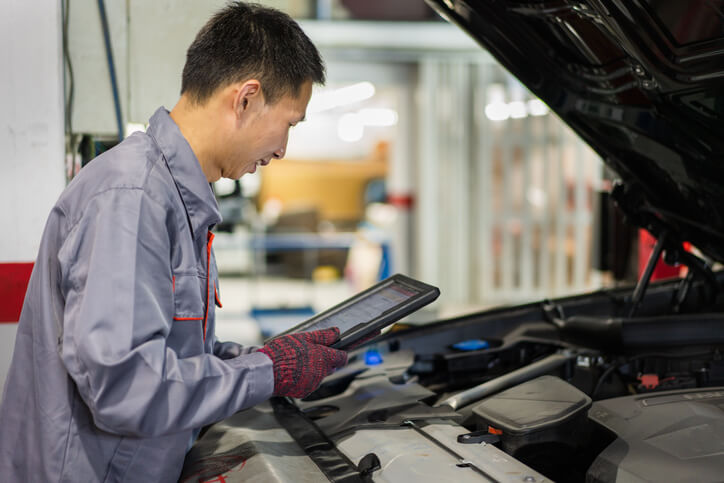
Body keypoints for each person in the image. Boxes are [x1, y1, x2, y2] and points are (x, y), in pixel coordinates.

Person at [0, 3, 349, 482]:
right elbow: (126, 388)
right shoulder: (133, 197)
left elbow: (174, 357)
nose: (283, 150)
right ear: (245, 99)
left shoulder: (176, 198)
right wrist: (266, 373)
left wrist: (260, 357)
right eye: (289, 123)